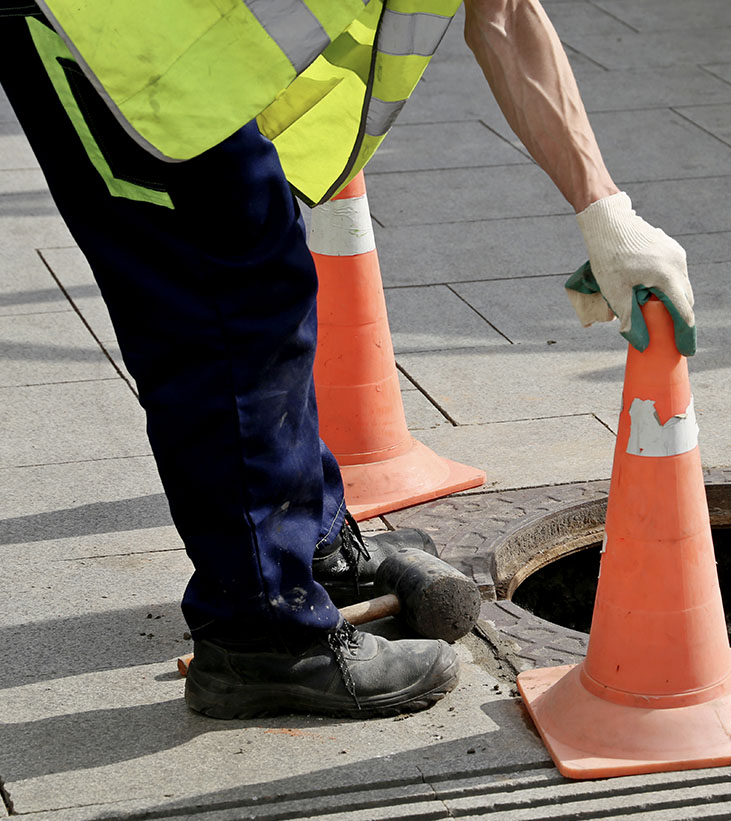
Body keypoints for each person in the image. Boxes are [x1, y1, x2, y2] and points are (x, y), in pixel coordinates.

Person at [2, 0, 694, 719]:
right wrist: (598, 208)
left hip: (161, 38)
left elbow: (503, 9)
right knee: (219, 305)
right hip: (98, 28)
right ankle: (265, 634)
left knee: (260, 278)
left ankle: (310, 549)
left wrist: (605, 212)